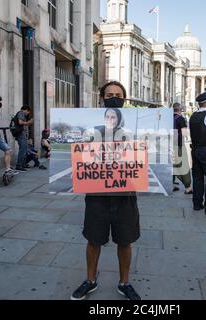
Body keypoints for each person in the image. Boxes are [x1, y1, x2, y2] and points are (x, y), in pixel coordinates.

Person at [71, 81, 141, 301]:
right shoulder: (92, 129)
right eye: (109, 94)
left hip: (125, 194)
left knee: (125, 240)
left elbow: (141, 160)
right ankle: (90, 281)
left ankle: (124, 283)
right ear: (102, 99)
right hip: (97, 195)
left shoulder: (133, 131)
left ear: (124, 100)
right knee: (93, 240)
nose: (113, 98)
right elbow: (80, 157)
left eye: (118, 95)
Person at [173, 103, 193, 194]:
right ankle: (188, 187)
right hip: (179, 145)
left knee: (172, 165)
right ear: (180, 109)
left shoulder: (168, 118)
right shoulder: (181, 119)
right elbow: (185, 134)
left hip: (169, 145)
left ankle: (172, 185)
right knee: (183, 166)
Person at [15, 106, 34, 172]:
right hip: (21, 134)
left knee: (24, 150)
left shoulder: (23, 115)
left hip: (23, 135)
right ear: (26, 110)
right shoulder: (21, 113)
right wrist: (29, 122)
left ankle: (23, 164)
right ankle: (19, 165)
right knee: (22, 150)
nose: (28, 113)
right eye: (28, 112)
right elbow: (20, 122)